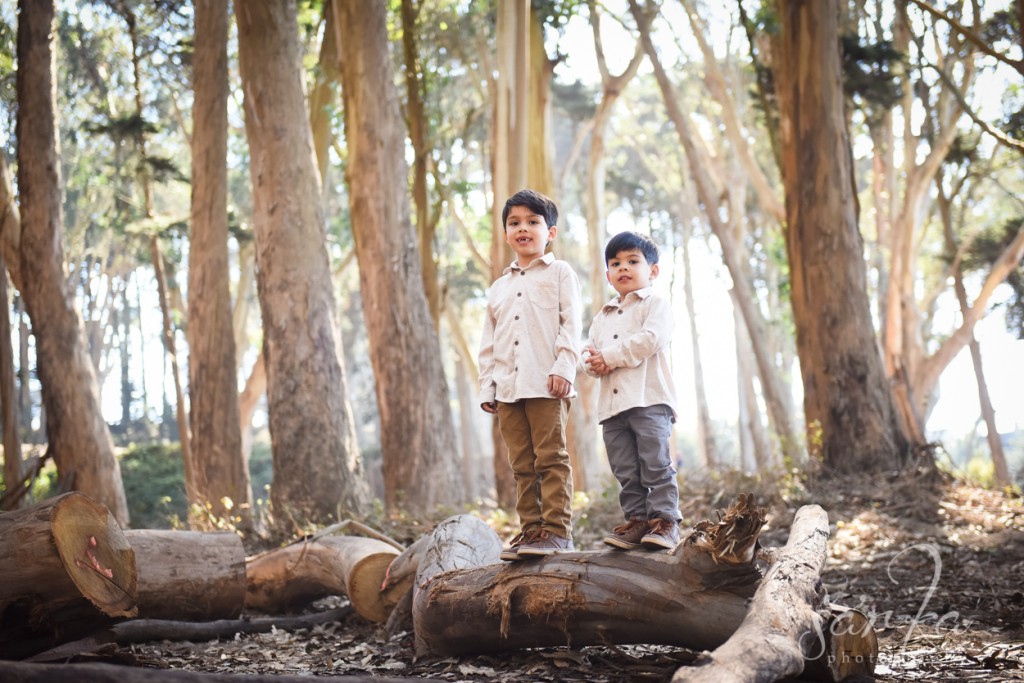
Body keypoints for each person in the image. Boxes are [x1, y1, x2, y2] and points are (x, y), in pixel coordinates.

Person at [478, 189, 582, 560]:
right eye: (514, 222)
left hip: (547, 382)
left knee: (551, 458)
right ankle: (532, 530)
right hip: (507, 388)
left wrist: (564, 366)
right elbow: (489, 342)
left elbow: (572, 322)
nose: (523, 228)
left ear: (550, 232)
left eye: (533, 222)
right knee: (521, 464)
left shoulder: (559, 273)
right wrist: (487, 385)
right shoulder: (498, 287)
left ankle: (556, 531)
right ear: (506, 233)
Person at [582, 231, 681, 551]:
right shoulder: (603, 316)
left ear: (653, 271)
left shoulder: (655, 304)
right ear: (609, 276)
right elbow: (590, 353)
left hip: (649, 399)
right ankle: (637, 520)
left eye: (632, 261)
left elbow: (651, 339)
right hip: (612, 408)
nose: (623, 268)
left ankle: (665, 521)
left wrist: (609, 358)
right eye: (616, 263)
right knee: (625, 468)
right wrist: (592, 364)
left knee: (655, 463)